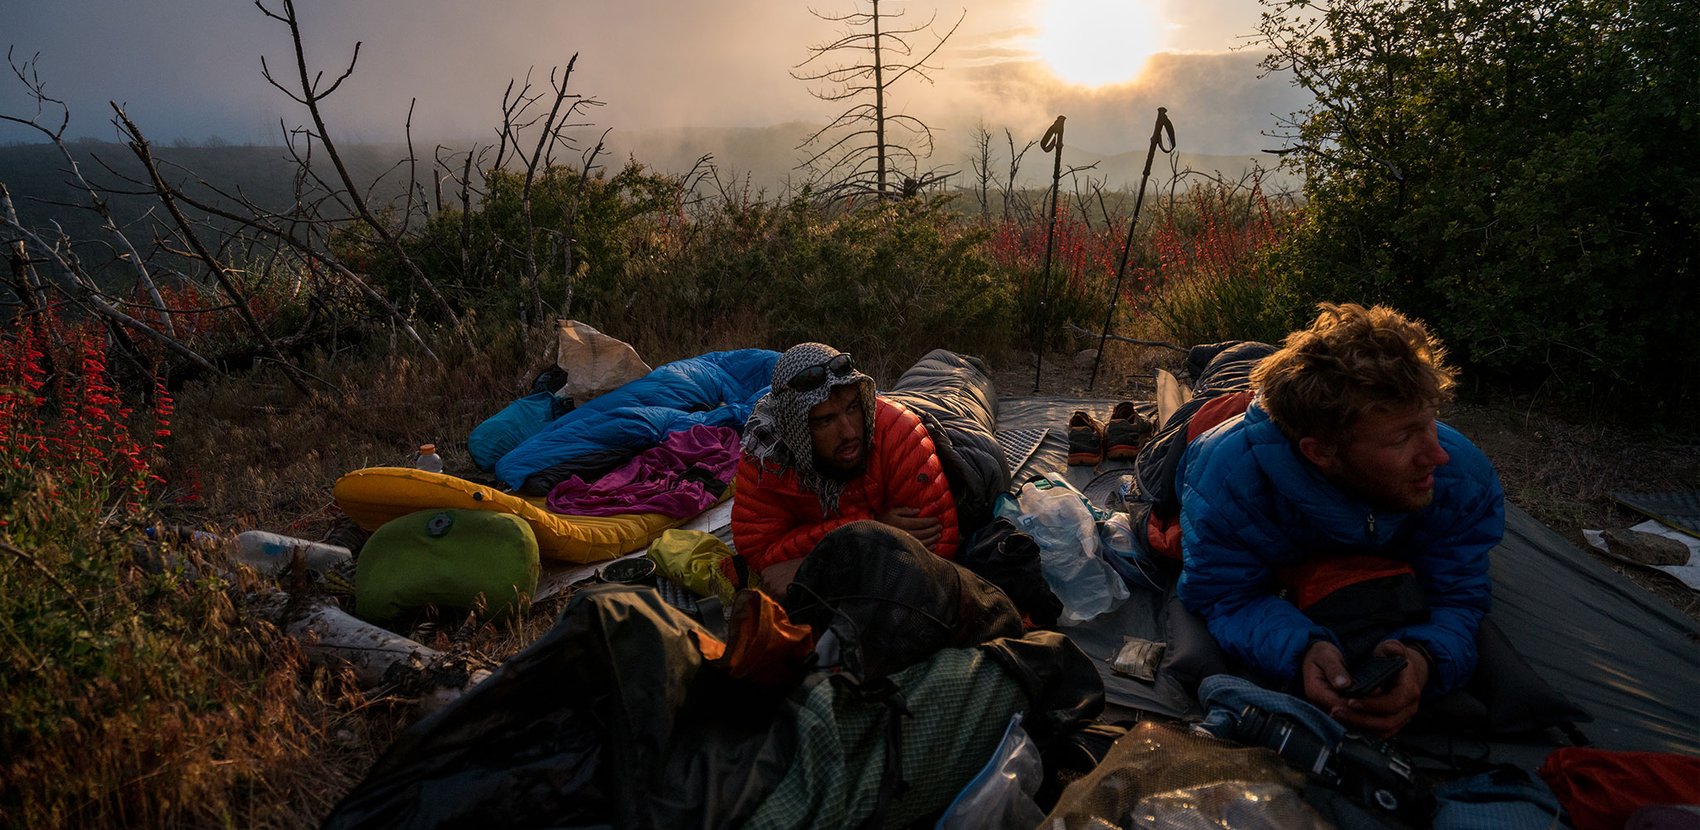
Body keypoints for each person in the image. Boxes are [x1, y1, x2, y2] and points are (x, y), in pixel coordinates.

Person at [1176, 303, 1504, 737]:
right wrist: (1300, 649)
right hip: (1219, 419)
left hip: (1294, 416)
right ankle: (1221, 358)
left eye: (1430, 423)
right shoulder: (1226, 478)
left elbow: (1460, 597)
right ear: (1320, 452)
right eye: (1404, 436)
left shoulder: (1461, 478)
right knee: (1211, 390)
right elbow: (1224, 595)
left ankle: (1244, 355)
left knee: (1253, 365)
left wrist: (1425, 658)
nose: (1436, 454)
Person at [732, 342, 960, 595]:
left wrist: (813, 568)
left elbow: (937, 549)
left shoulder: (900, 434)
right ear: (795, 429)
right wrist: (873, 531)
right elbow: (759, 552)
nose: (850, 432)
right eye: (826, 420)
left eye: (853, 408)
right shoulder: (766, 456)